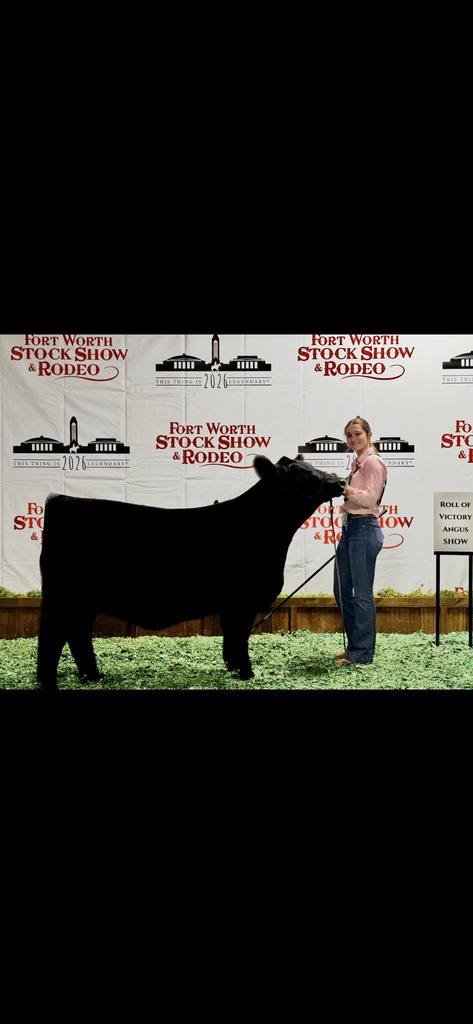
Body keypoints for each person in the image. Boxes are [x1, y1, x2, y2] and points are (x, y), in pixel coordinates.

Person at [333, 416, 387, 667]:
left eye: (357, 434)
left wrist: (346, 489)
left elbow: (370, 500)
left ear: (368, 434)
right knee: (342, 590)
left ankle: (362, 653)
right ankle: (355, 647)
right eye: (349, 435)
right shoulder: (358, 464)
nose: (353, 438)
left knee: (361, 593)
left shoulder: (372, 462)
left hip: (364, 529)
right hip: (351, 529)